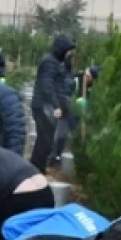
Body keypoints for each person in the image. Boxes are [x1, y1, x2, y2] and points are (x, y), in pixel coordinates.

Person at [31, 35, 77, 171]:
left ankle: (37, 169)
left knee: (45, 140)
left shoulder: (55, 62)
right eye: (68, 51)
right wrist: (56, 105)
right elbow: (47, 85)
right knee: (44, 141)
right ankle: (36, 169)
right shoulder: (50, 62)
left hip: (46, 106)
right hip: (44, 107)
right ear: (62, 49)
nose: (69, 54)